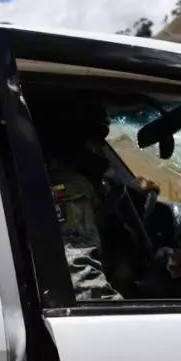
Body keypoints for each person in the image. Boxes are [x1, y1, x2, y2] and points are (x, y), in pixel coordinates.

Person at [36, 102, 124, 301]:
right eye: (96, 140)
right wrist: (118, 312)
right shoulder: (71, 186)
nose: (101, 149)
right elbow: (77, 272)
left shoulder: (87, 183)